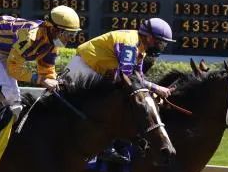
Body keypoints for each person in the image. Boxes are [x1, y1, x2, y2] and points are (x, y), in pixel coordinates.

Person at [67, 17, 175, 163]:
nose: (161, 47)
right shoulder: (130, 44)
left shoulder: (140, 49)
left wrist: (152, 93)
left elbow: (138, 79)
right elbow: (128, 77)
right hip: (85, 68)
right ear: (149, 38)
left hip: (96, 71)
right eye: (160, 42)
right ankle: (100, 146)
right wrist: (157, 88)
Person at [0, 5, 81, 116]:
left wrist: (55, 82)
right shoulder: (29, 37)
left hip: (4, 50)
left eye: (73, 34)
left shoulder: (51, 44)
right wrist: (41, 80)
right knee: (3, 87)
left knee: (14, 100)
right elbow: (13, 70)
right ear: (53, 29)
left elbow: (46, 70)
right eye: (67, 34)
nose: (70, 39)